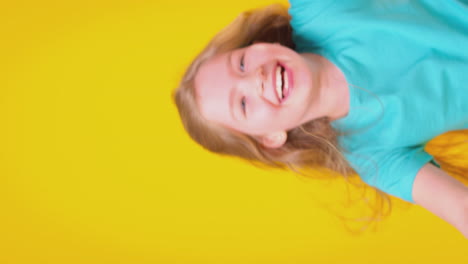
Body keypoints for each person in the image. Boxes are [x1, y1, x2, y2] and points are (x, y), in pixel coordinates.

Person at [174, 0, 468, 237]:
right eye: (242, 104)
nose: (255, 79)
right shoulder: (369, 154)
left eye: (240, 63)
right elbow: (459, 206)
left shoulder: (318, 10)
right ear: (271, 137)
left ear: (257, 44)